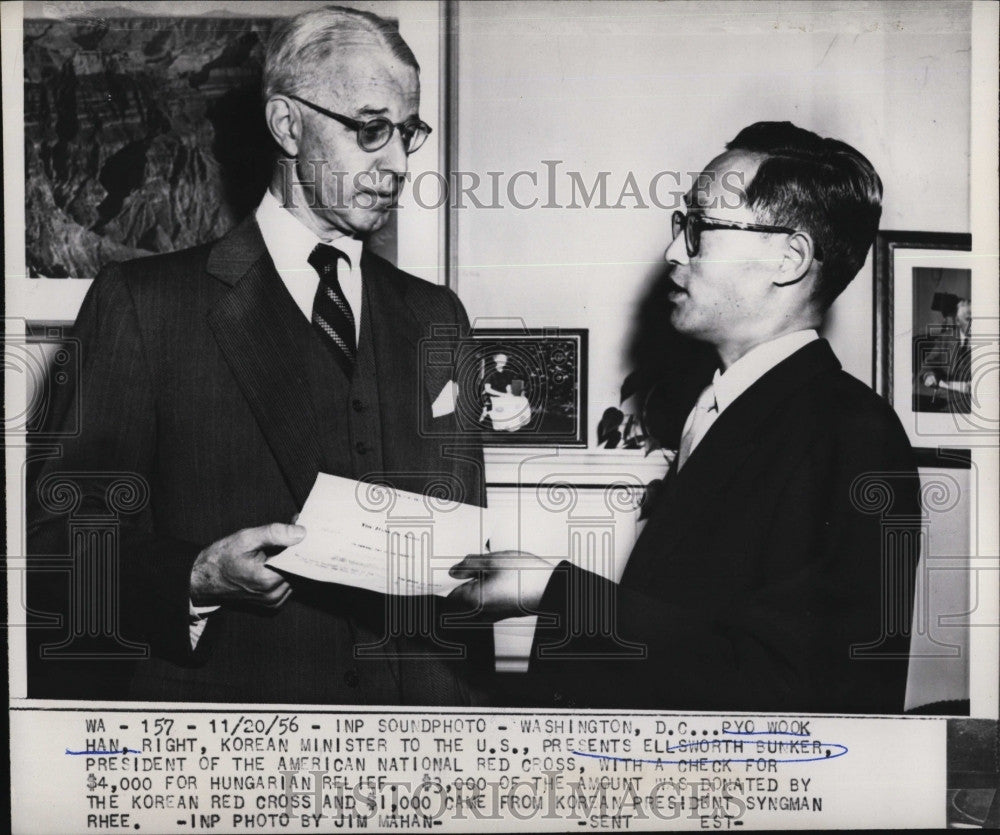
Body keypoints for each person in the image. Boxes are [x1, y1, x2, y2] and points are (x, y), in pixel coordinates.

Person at [27, 6, 491, 704]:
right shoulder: (144, 304)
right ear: (286, 125)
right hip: (235, 742)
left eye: (406, 133)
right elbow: (61, 538)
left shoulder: (437, 317)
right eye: (370, 128)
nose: (397, 162)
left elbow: (462, 574)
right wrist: (195, 577)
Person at [450, 122, 921, 714]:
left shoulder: (852, 434)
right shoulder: (735, 408)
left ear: (789, 258)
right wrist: (547, 581)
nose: (674, 251)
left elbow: (805, 695)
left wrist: (555, 590)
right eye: (681, 225)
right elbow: (698, 634)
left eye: (700, 228)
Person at [917, 296, 972, 413]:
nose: (973, 324)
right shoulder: (945, 339)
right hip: (947, 399)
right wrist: (928, 375)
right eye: (968, 319)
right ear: (957, 321)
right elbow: (927, 366)